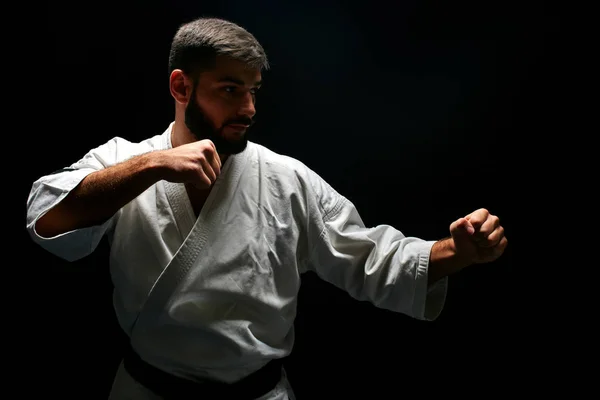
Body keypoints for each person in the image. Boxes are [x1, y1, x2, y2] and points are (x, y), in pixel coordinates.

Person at [26, 17, 507, 400]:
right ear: (181, 87)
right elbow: (47, 218)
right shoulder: (124, 161)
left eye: (254, 90)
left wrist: (456, 251)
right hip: (149, 388)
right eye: (231, 89)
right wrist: (153, 165)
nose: (250, 109)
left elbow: (368, 255)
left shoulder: (285, 178)